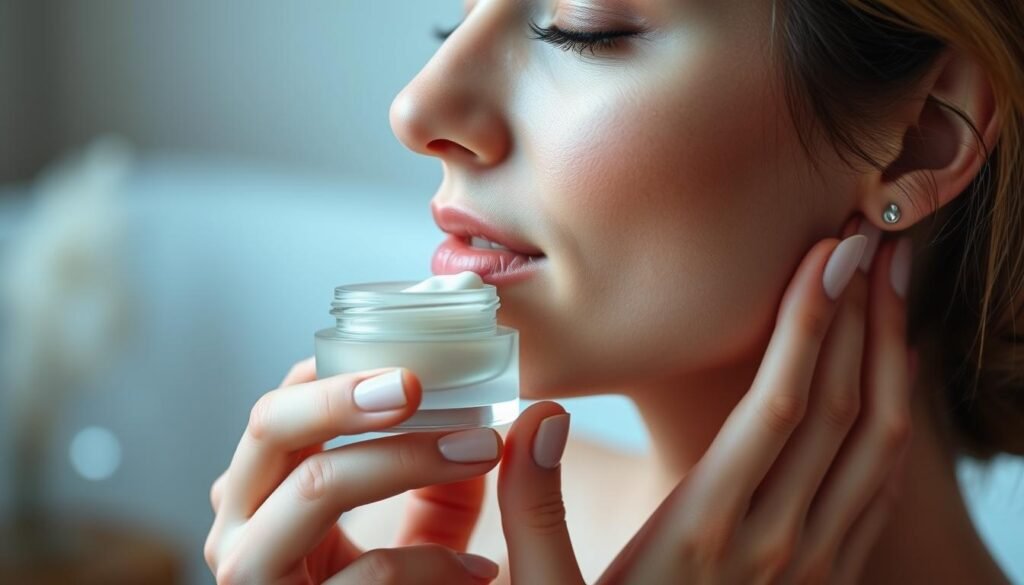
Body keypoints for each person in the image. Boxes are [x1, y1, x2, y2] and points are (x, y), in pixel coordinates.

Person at [204, 0, 1022, 583]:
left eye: (583, 30)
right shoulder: (394, 546)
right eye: (451, 20)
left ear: (922, 136)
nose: (418, 107)